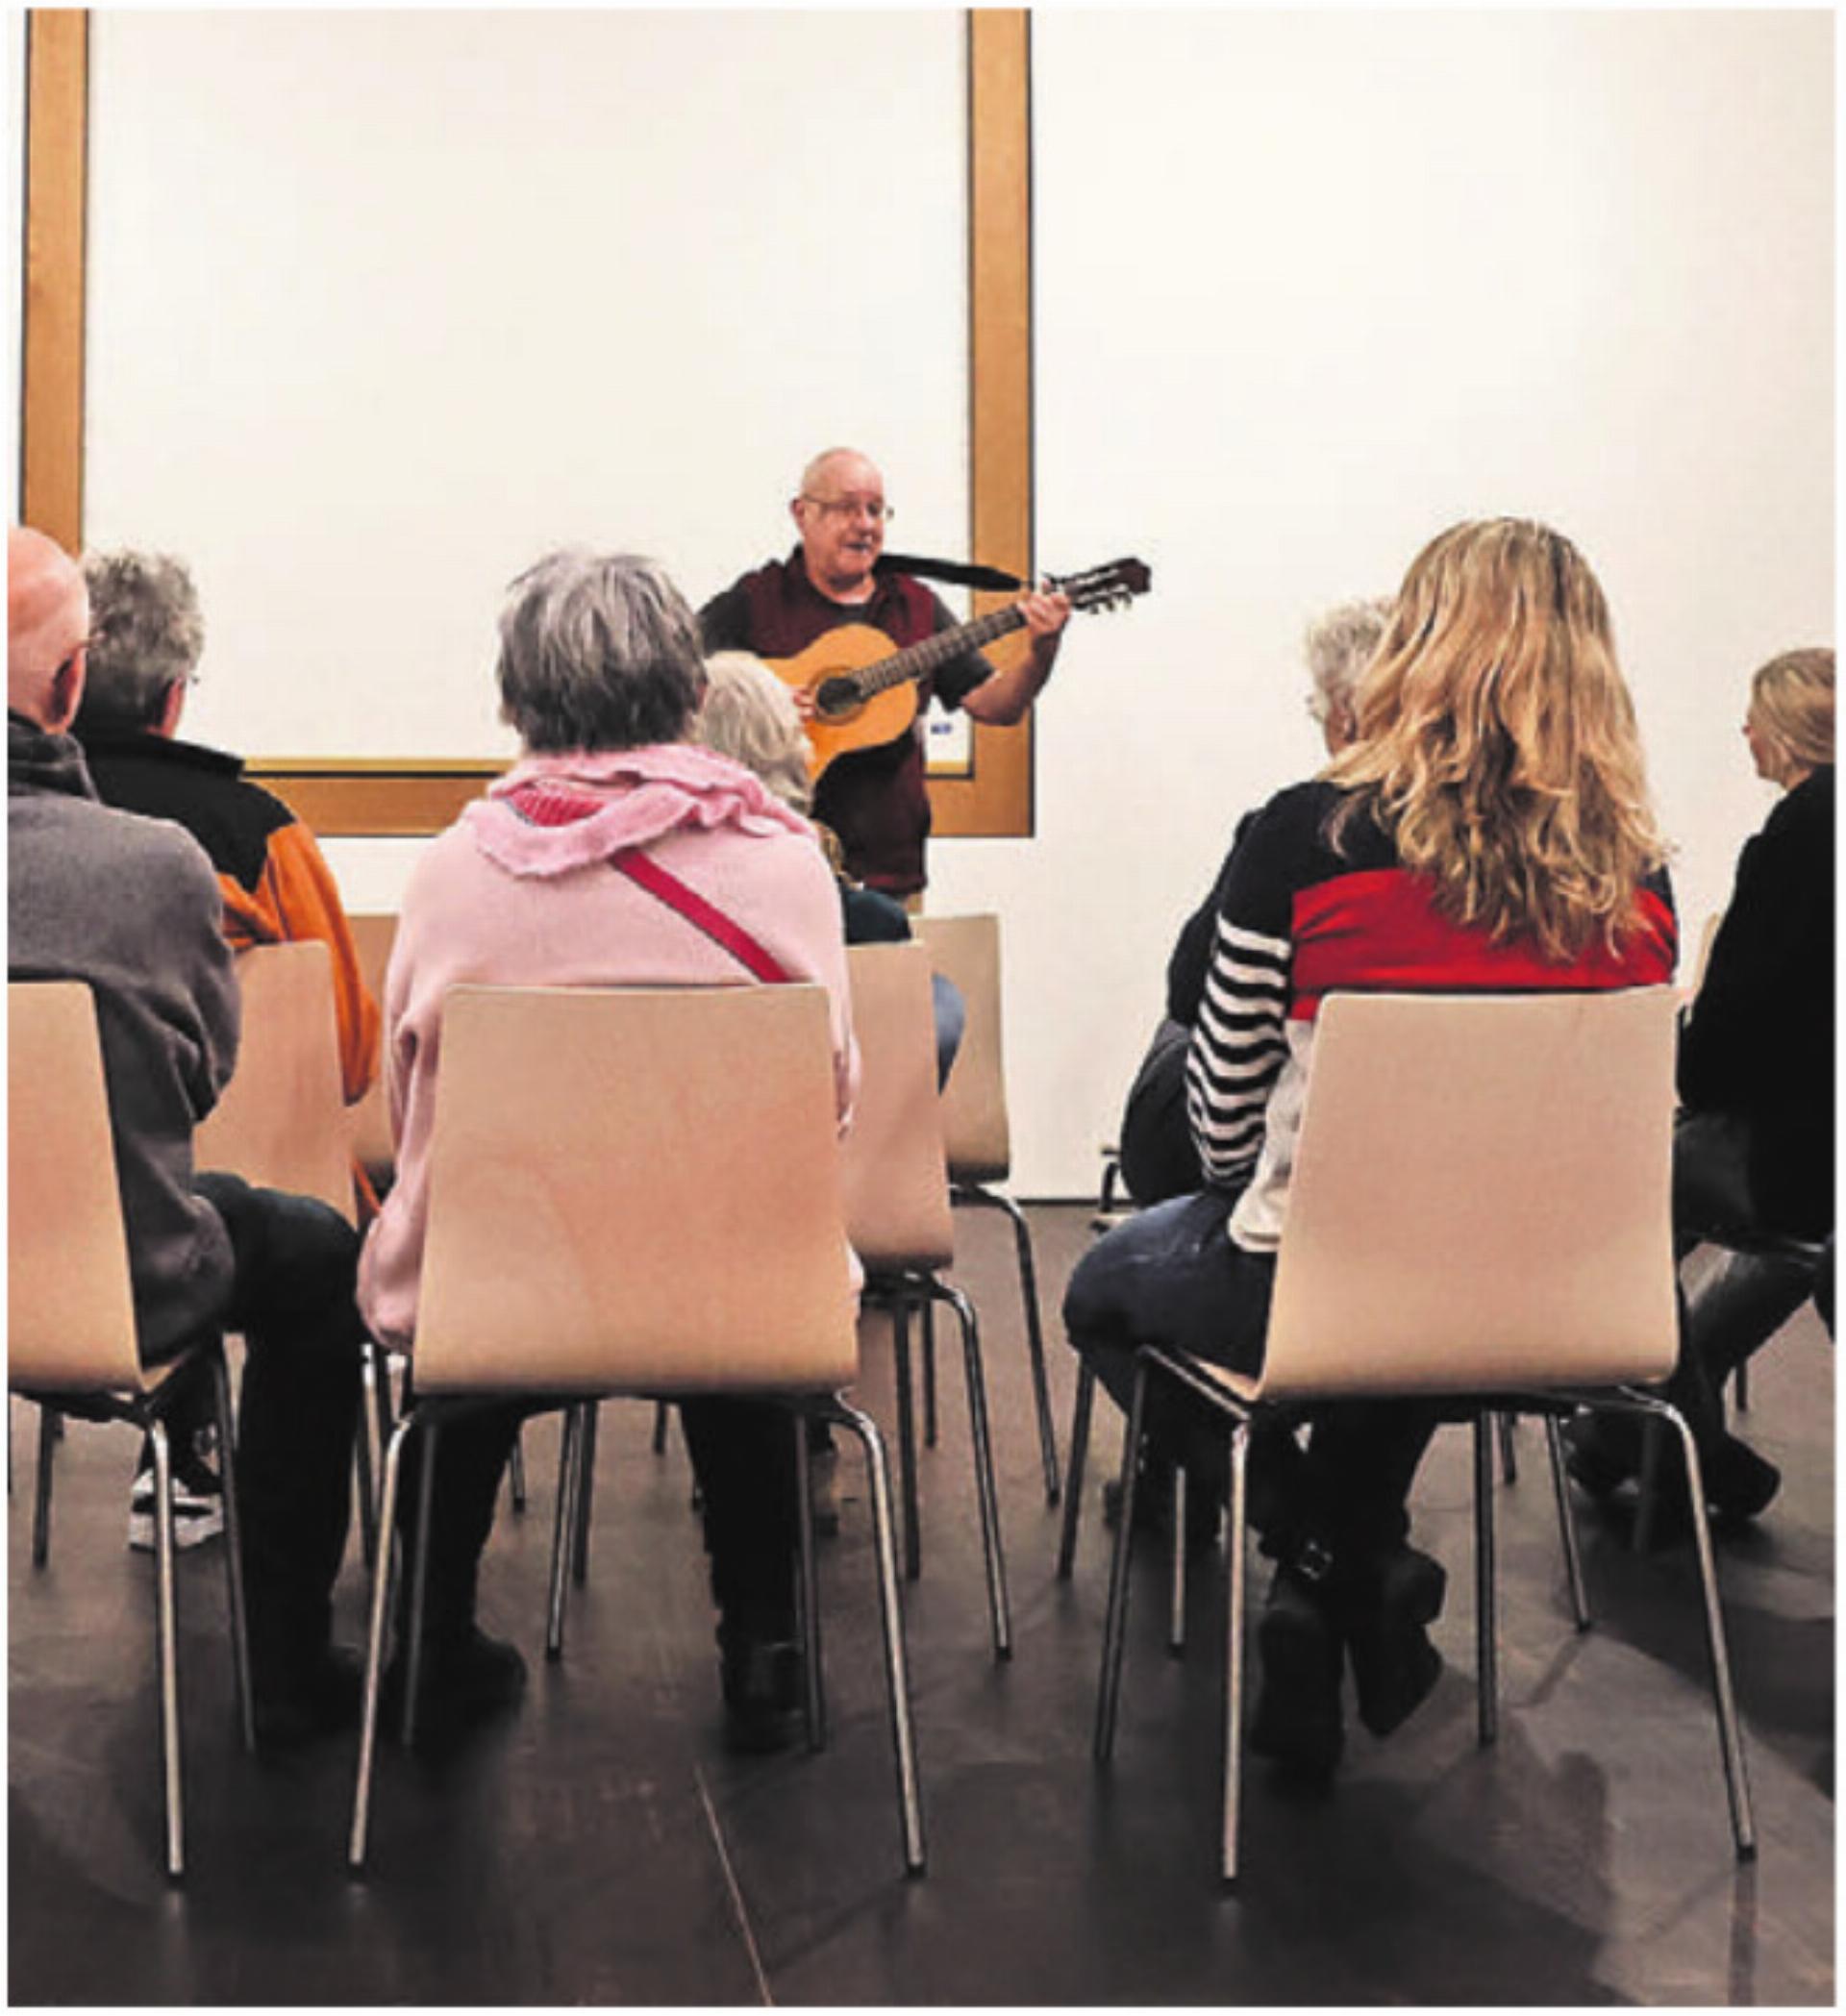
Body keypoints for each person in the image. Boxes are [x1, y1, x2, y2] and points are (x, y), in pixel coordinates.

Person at [1063, 518, 1677, 1783]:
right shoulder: (1644, 878)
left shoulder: (1304, 836)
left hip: (1332, 1274)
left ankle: (1324, 1553)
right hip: (1563, 1294)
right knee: (1414, 1315)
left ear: (1416, 647)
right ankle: (1345, 1566)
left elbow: (1222, 1131)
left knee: (1106, 1293)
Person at [358, 550, 860, 1755]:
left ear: (516, 701)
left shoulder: (451, 872)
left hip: (502, 1291)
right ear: (689, 697)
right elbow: (830, 1097)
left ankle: (425, 1640)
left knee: (467, 1331)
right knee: (729, 1299)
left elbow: (401, 1099)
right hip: (730, 1293)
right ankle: (768, 1651)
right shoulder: (788, 866)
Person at [9, 526, 366, 1746]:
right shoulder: (164, 864)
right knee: (316, 1254)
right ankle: (287, 1666)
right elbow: (201, 1080)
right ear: (70, 683)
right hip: (125, 1278)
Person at [74, 547, 383, 1551]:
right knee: (283, 1232)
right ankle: (287, 1616)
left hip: (35, 1220)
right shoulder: (259, 836)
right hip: (222, 1209)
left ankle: (177, 1452)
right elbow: (346, 1055)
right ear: (173, 696)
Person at [1569, 646, 1834, 1523]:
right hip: (1819, 1156)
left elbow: (1729, 1034)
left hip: (1796, 1151)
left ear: (1788, 729)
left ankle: (1673, 1439)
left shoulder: (1800, 837)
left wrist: (1682, 1062)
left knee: (1624, 1193)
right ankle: (1651, 1432)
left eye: (1754, 714)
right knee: (1791, 1235)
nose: (1743, 730)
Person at [1117, 597, 1392, 1209]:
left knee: (1188, 1025)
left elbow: (1188, 990)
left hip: (1297, 1207)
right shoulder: (1578, 859)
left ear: (1346, 719)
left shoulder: (1292, 831)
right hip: (1530, 1232)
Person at [699, 447, 1073, 898]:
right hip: (771, 867)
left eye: (876, 510)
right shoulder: (756, 600)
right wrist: (761, 701)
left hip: (888, 873)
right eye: (846, 508)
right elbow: (679, 681)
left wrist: (1041, 652)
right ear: (802, 514)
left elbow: (996, 705)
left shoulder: (915, 607)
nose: (865, 524)